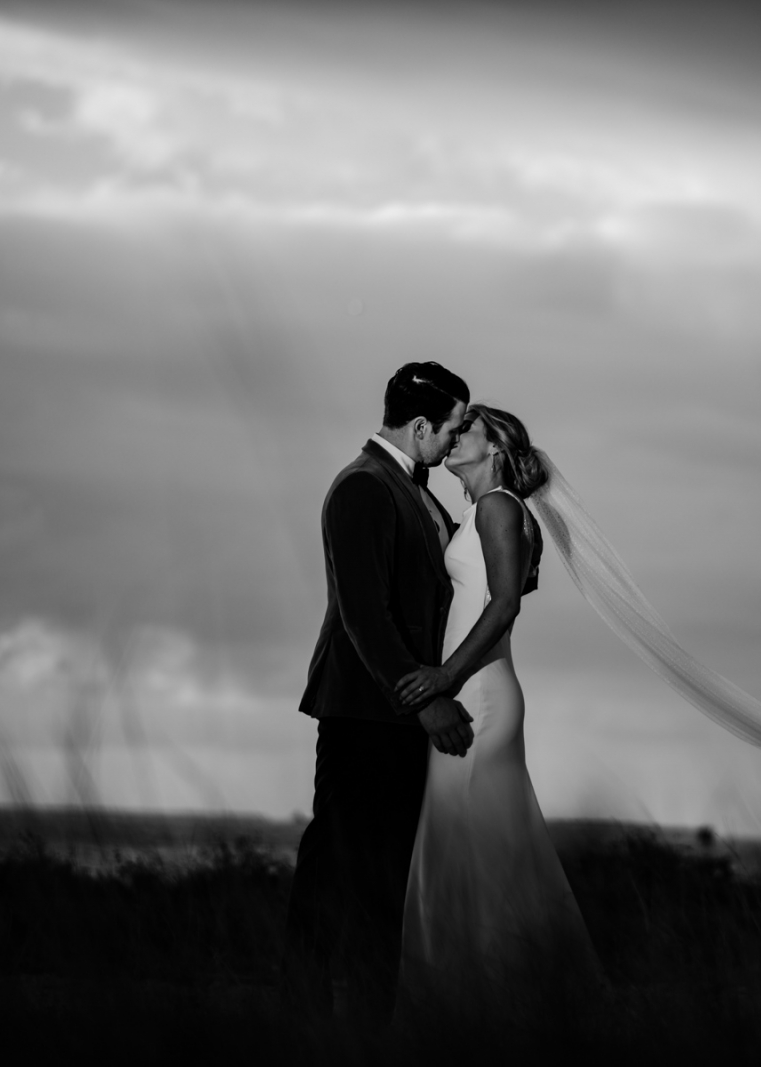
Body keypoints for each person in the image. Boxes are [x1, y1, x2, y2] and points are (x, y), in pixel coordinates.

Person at [393, 404, 602, 1024]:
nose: (453, 438)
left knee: (481, 856)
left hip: (478, 696)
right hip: (477, 691)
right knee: (473, 851)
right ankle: (478, 1006)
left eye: (467, 431)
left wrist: (443, 679)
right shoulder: (481, 511)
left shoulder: (498, 507)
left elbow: (506, 603)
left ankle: (501, 1008)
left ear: (496, 449)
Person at [283, 361, 476, 1022]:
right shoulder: (363, 487)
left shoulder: (414, 490)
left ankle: (369, 1022)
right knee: (336, 872)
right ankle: (302, 1021)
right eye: (450, 429)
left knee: (385, 879)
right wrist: (425, 699)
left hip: (393, 718)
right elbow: (366, 615)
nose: (453, 441)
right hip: (363, 712)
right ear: (420, 424)